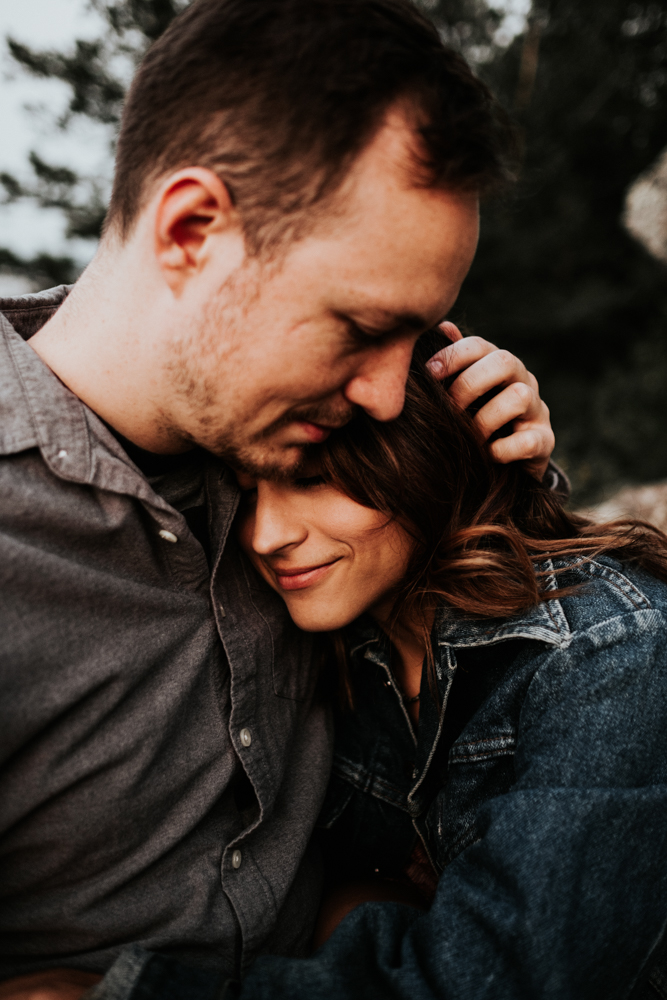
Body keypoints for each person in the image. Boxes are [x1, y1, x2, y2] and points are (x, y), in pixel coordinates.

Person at [0, 1, 561, 997]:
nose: (389, 392)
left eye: (416, 337)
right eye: (359, 326)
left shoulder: (300, 440)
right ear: (190, 229)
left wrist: (498, 472)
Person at [228, 328, 667, 999]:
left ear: (423, 460)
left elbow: (506, 981)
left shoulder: (607, 648)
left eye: (312, 481)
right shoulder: (340, 637)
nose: (266, 535)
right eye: (244, 494)